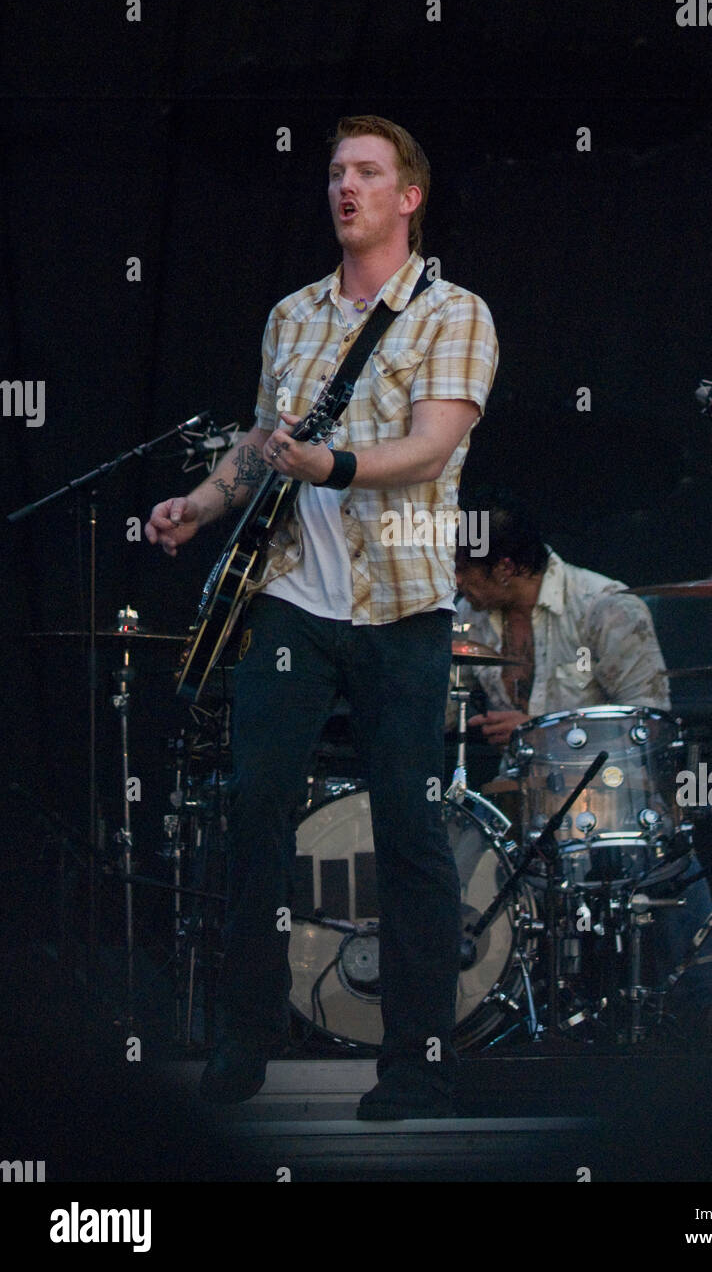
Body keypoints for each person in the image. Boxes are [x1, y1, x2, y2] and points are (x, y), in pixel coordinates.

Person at [146, 116, 498, 1115]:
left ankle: (417, 1059)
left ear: (408, 196)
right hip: (295, 597)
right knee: (255, 813)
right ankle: (240, 1040)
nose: (346, 187)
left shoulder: (453, 312)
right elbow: (262, 444)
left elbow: (432, 447)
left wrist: (335, 463)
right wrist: (202, 505)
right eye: (337, 172)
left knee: (409, 829)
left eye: (368, 173)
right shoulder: (292, 314)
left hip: (402, 606)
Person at [451, 488, 712, 1029]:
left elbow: (650, 718)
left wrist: (532, 728)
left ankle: (708, 999)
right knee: (453, 858)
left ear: (506, 567)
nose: (456, 582)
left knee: (664, 851)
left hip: (607, 791)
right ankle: (473, 1014)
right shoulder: (470, 616)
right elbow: (443, 701)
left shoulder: (605, 605)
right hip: (520, 800)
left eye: (466, 570)